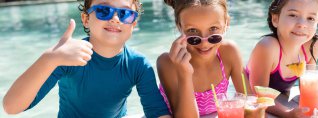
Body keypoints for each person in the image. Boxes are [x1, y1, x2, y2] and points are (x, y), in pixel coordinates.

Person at [3, 0, 170, 117]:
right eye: (104, 11)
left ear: (133, 24)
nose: (115, 18)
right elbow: (11, 107)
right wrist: (49, 58)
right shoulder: (67, 57)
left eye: (125, 13)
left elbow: (156, 112)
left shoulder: (138, 64)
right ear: (86, 19)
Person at [157, 0, 259, 117]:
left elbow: (249, 102)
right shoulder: (168, 63)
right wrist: (184, 73)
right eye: (192, 31)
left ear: (226, 24)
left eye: (213, 29)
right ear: (179, 26)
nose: (204, 43)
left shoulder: (229, 53)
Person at [246, 0, 318, 117]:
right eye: (293, 15)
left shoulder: (312, 45)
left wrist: (316, 107)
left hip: (281, 100)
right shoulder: (268, 46)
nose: (302, 24)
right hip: (252, 106)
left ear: (317, 22)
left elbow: (308, 87)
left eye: (310, 18)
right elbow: (259, 95)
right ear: (275, 19)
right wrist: (288, 113)